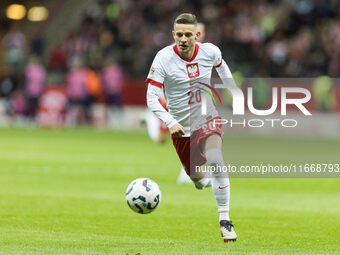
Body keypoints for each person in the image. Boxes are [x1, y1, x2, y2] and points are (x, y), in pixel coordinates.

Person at [146, 13, 237, 242]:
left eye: (188, 34)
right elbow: (152, 97)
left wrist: (234, 92)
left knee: (216, 159)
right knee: (197, 179)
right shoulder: (163, 58)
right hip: (181, 130)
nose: (183, 39)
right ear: (173, 35)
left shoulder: (210, 52)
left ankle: (225, 221)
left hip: (206, 118)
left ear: (197, 35)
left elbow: (223, 69)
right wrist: (170, 122)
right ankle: (206, 182)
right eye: (179, 34)